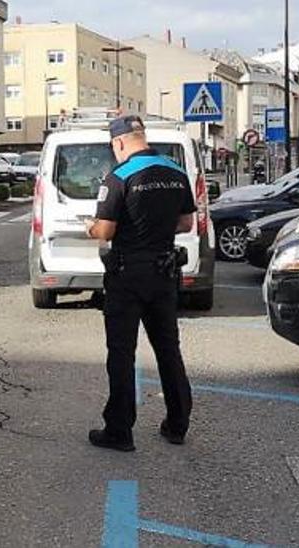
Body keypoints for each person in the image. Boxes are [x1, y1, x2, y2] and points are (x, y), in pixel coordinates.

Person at [83, 115, 195, 452]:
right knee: (167, 349)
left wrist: (91, 228)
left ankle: (119, 431)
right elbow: (186, 221)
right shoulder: (176, 172)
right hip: (163, 272)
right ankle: (177, 425)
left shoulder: (118, 176)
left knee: (121, 353)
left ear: (119, 143)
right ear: (142, 137)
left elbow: (105, 231)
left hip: (127, 274)